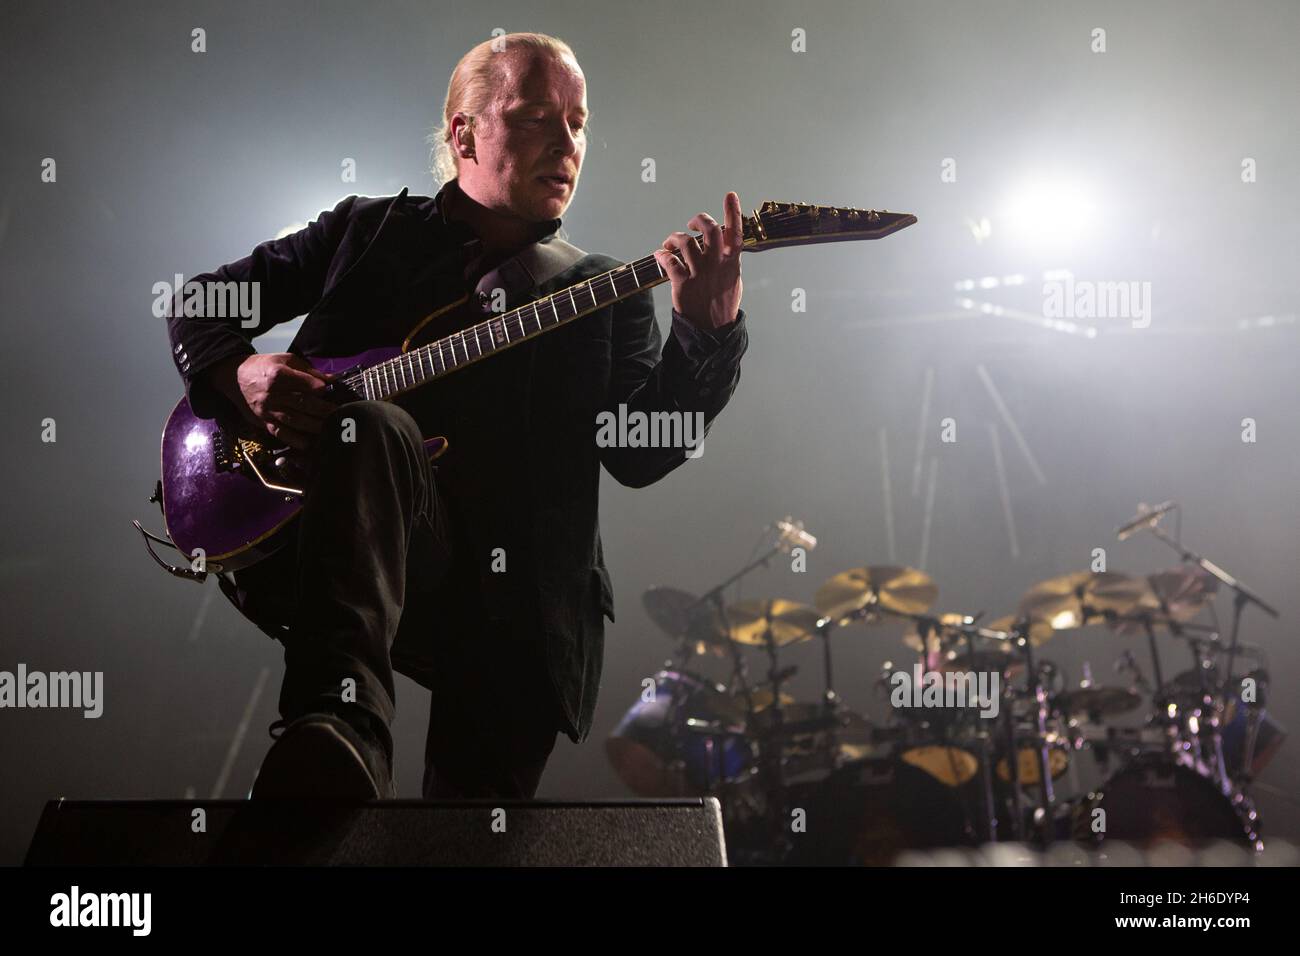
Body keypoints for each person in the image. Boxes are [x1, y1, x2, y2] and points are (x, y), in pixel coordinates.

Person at [165, 32, 749, 800]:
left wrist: (706, 336)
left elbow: (638, 453)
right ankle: (339, 734)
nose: (566, 142)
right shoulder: (364, 231)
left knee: (470, 840)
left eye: (578, 123)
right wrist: (241, 371)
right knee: (371, 426)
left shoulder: (605, 290)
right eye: (537, 116)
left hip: (521, 613)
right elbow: (200, 303)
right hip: (354, 555)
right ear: (464, 132)